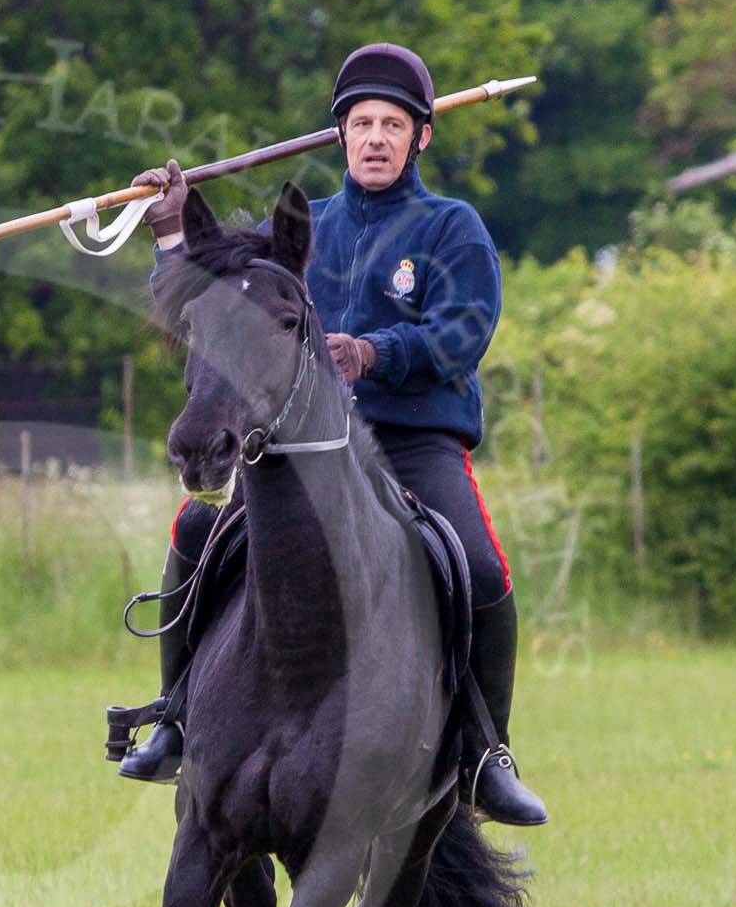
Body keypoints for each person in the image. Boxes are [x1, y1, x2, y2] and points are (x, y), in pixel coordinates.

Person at [117, 41, 548, 827]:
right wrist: (173, 231)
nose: (375, 137)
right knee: (194, 526)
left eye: (392, 123)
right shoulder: (297, 230)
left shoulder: (454, 229)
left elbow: (464, 332)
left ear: (422, 136)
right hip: (296, 452)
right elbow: (197, 302)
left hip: (414, 445)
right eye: (360, 123)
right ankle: (177, 717)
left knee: (481, 567)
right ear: (340, 137)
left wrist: (375, 351)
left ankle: (488, 753)